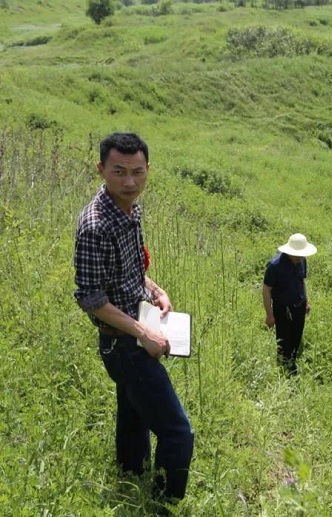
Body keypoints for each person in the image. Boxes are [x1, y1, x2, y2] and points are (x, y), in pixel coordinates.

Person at [73, 132, 194, 505]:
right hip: (123, 342)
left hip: (136, 327)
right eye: (119, 172)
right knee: (177, 431)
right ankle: (164, 504)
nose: (130, 182)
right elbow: (91, 298)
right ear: (101, 169)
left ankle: (129, 478)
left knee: (133, 412)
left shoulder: (129, 209)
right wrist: (144, 333)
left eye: (137, 172)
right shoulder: (96, 226)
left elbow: (128, 271)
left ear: (147, 170)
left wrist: (155, 290)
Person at [262, 233, 317, 375]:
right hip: (283, 308)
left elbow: (302, 281)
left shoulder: (302, 261)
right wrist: (269, 315)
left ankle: (292, 359)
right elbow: (266, 289)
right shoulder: (275, 265)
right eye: (297, 255)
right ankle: (286, 369)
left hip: (299, 305)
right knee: (284, 340)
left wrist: (306, 300)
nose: (299, 257)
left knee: (296, 337)